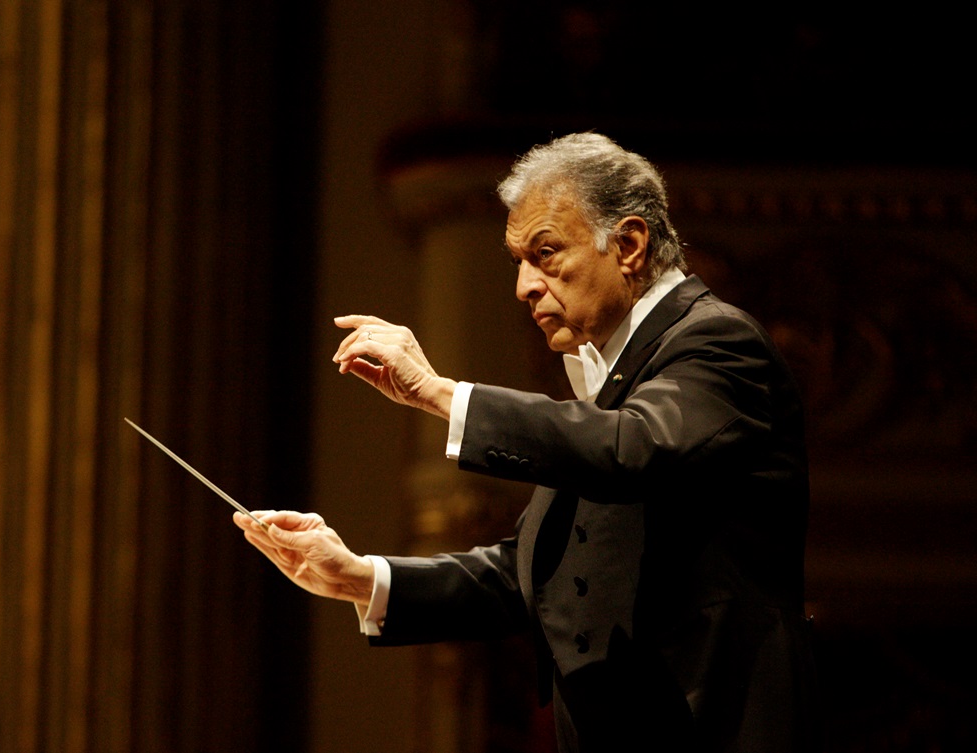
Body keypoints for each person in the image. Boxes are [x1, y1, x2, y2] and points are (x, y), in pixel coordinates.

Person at [234, 132, 819, 752]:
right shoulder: (611, 378)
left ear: (628, 245)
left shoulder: (718, 344)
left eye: (545, 254)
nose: (524, 287)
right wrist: (359, 578)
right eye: (518, 260)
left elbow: (632, 448)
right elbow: (532, 572)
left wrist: (438, 392)